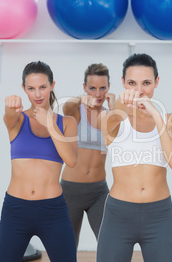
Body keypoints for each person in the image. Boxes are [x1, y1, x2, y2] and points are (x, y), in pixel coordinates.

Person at [96, 53, 172, 262]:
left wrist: (155, 114)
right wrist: (120, 104)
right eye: (132, 83)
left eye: (146, 83)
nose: (139, 90)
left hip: (158, 215)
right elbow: (110, 128)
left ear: (156, 83)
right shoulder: (109, 117)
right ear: (123, 84)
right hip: (119, 214)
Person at [0, 61, 78, 261]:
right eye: (31, 88)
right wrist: (9, 107)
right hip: (15, 210)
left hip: (52, 211)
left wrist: (49, 124)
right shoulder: (17, 120)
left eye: (42, 87)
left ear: (52, 85)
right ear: (24, 89)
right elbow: (8, 117)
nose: (38, 94)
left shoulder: (66, 123)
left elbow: (71, 160)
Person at [61, 63, 114, 247]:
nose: (97, 94)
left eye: (102, 88)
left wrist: (115, 106)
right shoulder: (76, 111)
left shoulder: (110, 117)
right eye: (92, 88)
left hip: (99, 192)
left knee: (109, 245)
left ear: (108, 88)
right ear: (84, 88)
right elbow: (66, 108)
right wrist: (81, 99)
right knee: (66, 248)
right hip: (70, 191)